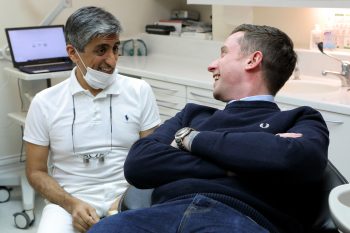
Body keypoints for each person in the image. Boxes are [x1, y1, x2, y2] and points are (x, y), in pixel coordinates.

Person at [88, 24, 330, 233]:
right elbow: (139, 163)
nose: (211, 66)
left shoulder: (301, 118)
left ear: (252, 60)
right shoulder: (192, 114)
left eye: (223, 54)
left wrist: (191, 140)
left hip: (241, 219)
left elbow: (298, 158)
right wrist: (251, 161)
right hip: (159, 216)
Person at [24, 6, 161, 233]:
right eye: (101, 50)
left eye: (116, 48)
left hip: (128, 196)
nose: (112, 60)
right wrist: (71, 204)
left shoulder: (139, 91)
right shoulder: (45, 102)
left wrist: (128, 199)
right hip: (68, 202)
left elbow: (154, 159)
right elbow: (35, 171)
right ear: (72, 53)